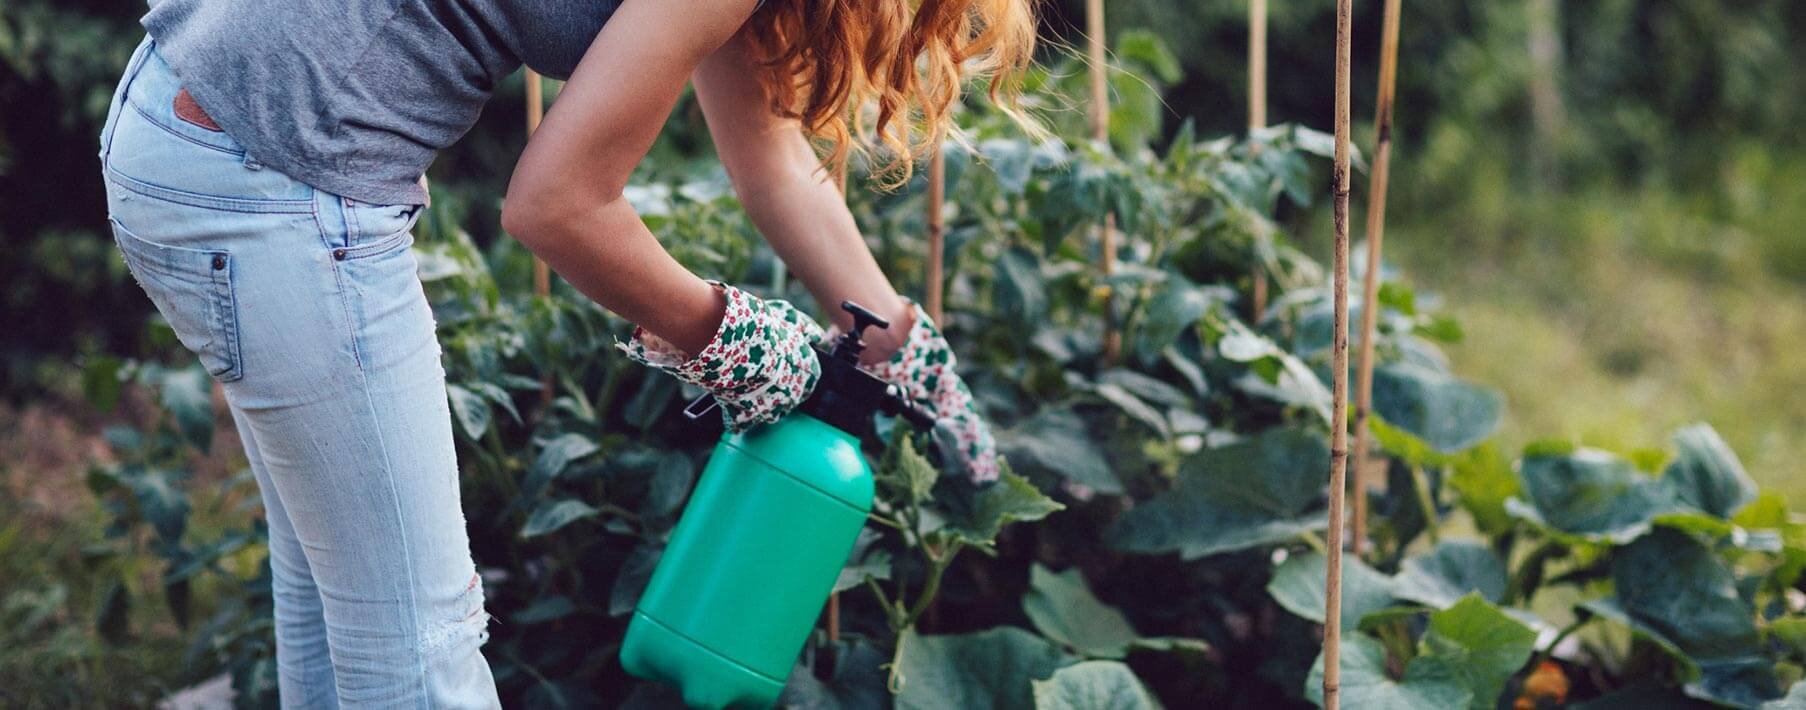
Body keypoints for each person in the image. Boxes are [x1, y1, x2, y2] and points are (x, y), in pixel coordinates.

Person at [97, 0, 1032, 705]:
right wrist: (740, 342)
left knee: (341, 612)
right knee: (422, 646)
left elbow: (774, 159)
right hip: (270, 186)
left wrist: (899, 347)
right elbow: (556, 206)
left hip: (198, 130)